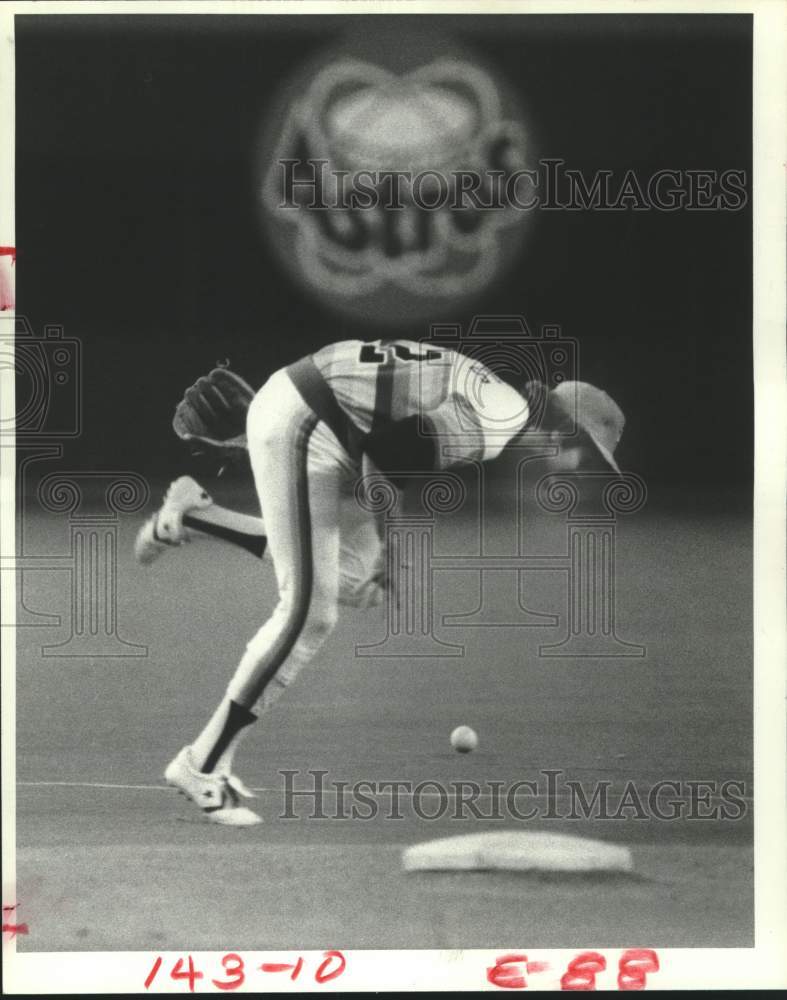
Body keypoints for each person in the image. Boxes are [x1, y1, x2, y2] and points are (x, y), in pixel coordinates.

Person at [135, 338, 625, 825]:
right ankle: (200, 765)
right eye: (584, 452)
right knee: (310, 613)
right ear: (563, 427)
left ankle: (196, 518)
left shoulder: (497, 400)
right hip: (312, 421)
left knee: (349, 578)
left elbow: (384, 442)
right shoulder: (499, 418)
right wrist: (391, 544)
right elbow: (386, 456)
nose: (578, 465)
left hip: (319, 416)